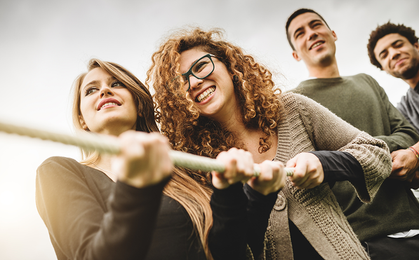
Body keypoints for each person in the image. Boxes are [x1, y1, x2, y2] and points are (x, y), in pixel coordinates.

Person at [146, 27, 392, 260]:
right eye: (181, 82)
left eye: (201, 66)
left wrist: (325, 164)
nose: (194, 82)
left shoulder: (292, 110)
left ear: (229, 65)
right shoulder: (197, 166)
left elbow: (376, 152)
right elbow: (228, 249)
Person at [35, 58, 286, 260]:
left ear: (138, 103)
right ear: (81, 118)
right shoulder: (59, 172)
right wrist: (137, 187)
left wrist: (251, 195)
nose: (104, 90)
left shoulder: (184, 171)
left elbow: (231, 252)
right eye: (91, 90)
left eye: (117, 84)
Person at [286, 8, 419, 259]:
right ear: (295, 54)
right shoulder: (295, 103)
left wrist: (369, 151)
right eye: (300, 33)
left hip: (413, 219)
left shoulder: (366, 81)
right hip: (363, 240)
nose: (311, 34)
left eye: (316, 25)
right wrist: (369, 153)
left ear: (333, 34)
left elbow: (408, 131)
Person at [368, 22, 419, 187]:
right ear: (383, 68)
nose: (393, 54)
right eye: (384, 54)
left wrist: (415, 153)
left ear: (416, 46)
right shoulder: (404, 109)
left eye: (398, 45)